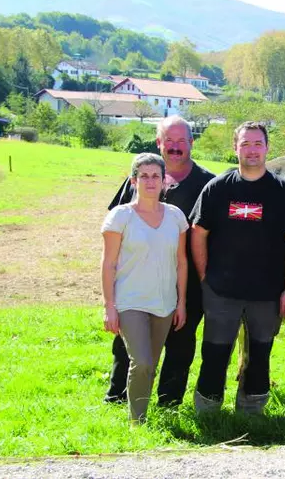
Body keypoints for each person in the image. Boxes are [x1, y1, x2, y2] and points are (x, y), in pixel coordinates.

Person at [190, 121, 285, 414]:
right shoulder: (217, 188)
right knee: (215, 352)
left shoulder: (284, 192)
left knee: (260, 353)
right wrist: (206, 277)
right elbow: (198, 233)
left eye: (257, 144)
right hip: (221, 291)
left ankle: (251, 413)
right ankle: (208, 410)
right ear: (235, 148)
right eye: (245, 144)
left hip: (267, 293)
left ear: (267, 148)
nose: (251, 150)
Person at [104, 116, 215, 407]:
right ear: (159, 142)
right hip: (136, 280)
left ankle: (169, 401)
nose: (175, 147)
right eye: (169, 140)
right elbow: (115, 228)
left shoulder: (209, 185)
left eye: (181, 141)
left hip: (185, 283)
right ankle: (119, 396)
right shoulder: (141, 175)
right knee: (127, 343)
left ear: (192, 143)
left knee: (181, 342)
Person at [101, 153, 189, 424]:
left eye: (156, 176)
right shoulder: (121, 216)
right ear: (133, 181)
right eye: (144, 176)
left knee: (150, 365)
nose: (150, 181)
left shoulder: (176, 216)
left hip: (164, 302)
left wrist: (181, 302)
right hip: (130, 302)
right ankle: (137, 422)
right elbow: (108, 264)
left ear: (164, 182)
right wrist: (109, 307)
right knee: (143, 362)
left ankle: (141, 410)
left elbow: (182, 262)